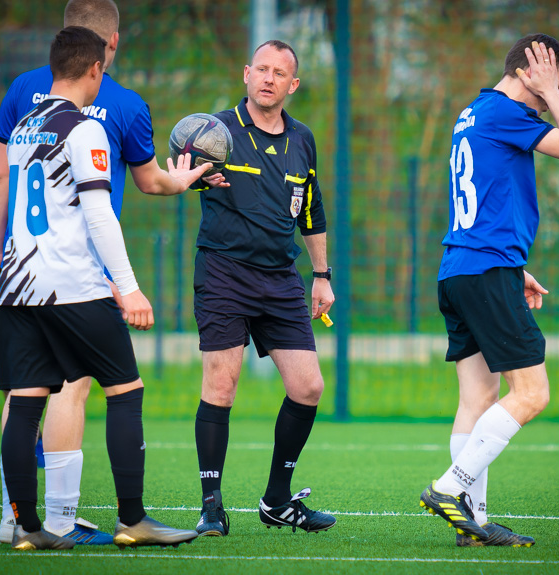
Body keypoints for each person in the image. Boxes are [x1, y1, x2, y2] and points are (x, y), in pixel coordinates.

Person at [0, 25, 208, 550]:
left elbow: (9, 188)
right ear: (96, 68)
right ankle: (133, 520)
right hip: (72, 283)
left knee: (25, 402)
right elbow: (99, 217)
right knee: (125, 390)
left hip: (20, 285)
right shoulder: (83, 129)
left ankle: (26, 527)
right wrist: (129, 288)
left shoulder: (25, 125)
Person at [418, 33, 559, 547]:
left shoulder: (475, 112)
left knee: (478, 397)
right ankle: (451, 488)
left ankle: (471, 522)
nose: (549, 99)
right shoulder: (504, 111)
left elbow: (491, 195)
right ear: (527, 72)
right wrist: (551, 95)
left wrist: (514, 268)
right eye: (548, 87)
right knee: (532, 393)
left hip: (465, 267)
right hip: (484, 269)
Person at [188, 39, 336, 536]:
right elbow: (175, 174)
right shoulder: (214, 130)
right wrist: (188, 180)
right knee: (221, 386)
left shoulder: (303, 139)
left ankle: (276, 501)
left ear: (292, 85)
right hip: (224, 272)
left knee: (309, 387)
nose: (269, 79)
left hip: (281, 279)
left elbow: (311, 213)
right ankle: (211, 506)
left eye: (280, 74)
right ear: (246, 72)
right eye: (262, 69)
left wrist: (321, 276)